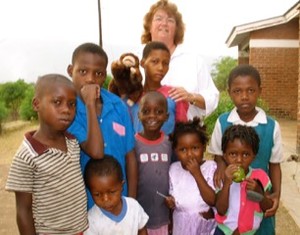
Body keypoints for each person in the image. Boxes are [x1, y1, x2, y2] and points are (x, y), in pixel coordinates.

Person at [5, 74, 88, 234]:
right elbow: (23, 211)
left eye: (72, 104)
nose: (66, 110)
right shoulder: (27, 156)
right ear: (36, 104)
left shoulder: (73, 143)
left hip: (80, 231)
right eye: (57, 102)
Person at [208, 64, 283, 235]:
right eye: (237, 91)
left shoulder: (271, 126)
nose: (244, 97)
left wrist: (276, 194)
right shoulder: (223, 121)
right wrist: (221, 168)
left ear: (259, 91)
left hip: (258, 192)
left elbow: (275, 164)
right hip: (232, 196)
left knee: (261, 228)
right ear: (229, 92)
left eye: (250, 90)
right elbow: (218, 155)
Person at [67, 42, 138, 210]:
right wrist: (90, 103)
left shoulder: (118, 106)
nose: (91, 79)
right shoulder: (68, 111)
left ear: (105, 75)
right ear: (71, 71)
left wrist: (132, 204)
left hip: (120, 203)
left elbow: (130, 157)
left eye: (98, 73)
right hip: (85, 208)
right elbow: (95, 151)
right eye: (83, 71)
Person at [141, 0, 219, 119]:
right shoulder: (137, 59)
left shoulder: (194, 60)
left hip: (185, 134)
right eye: (158, 18)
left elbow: (212, 98)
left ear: (177, 29)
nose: (164, 23)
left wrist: (191, 97)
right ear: (149, 26)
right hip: (142, 135)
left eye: (170, 20)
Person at [214, 125, 273, 235]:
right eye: (233, 154)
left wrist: (259, 193)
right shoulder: (222, 176)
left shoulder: (260, 176)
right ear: (225, 156)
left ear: (253, 156)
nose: (239, 160)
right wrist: (227, 184)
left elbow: (268, 208)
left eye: (245, 154)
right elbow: (221, 210)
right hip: (223, 231)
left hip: (249, 232)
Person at [165, 117, 217, 235]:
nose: (189, 154)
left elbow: (212, 200)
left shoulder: (210, 168)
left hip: (202, 226)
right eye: (183, 150)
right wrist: (171, 202)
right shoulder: (173, 169)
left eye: (195, 148)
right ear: (175, 151)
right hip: (181, 226)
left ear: (203, 147)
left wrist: (197, 173)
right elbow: (174, 196)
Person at [131, 41, 188, 135]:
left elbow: (182, 133)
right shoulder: (133, 95)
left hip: (166, 149)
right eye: (155, 61)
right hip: (136, 149)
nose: (161, 68)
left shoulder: (174, 95)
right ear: (142, 63)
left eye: (165, 63)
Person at [135, 91, 172, 235]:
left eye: (158, 112)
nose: (152, 116)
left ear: (166, 117)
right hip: (140, 217)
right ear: (139, 115)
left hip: (163, 216)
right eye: (146, 111)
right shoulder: (133, 144)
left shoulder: (170, 144)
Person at [83, 156, 149, 235]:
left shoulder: (134, 207)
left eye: (112, 192)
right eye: (97, 194)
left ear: (121, 186)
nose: (106, 199)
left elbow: (142, 230)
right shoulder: (92, 219)